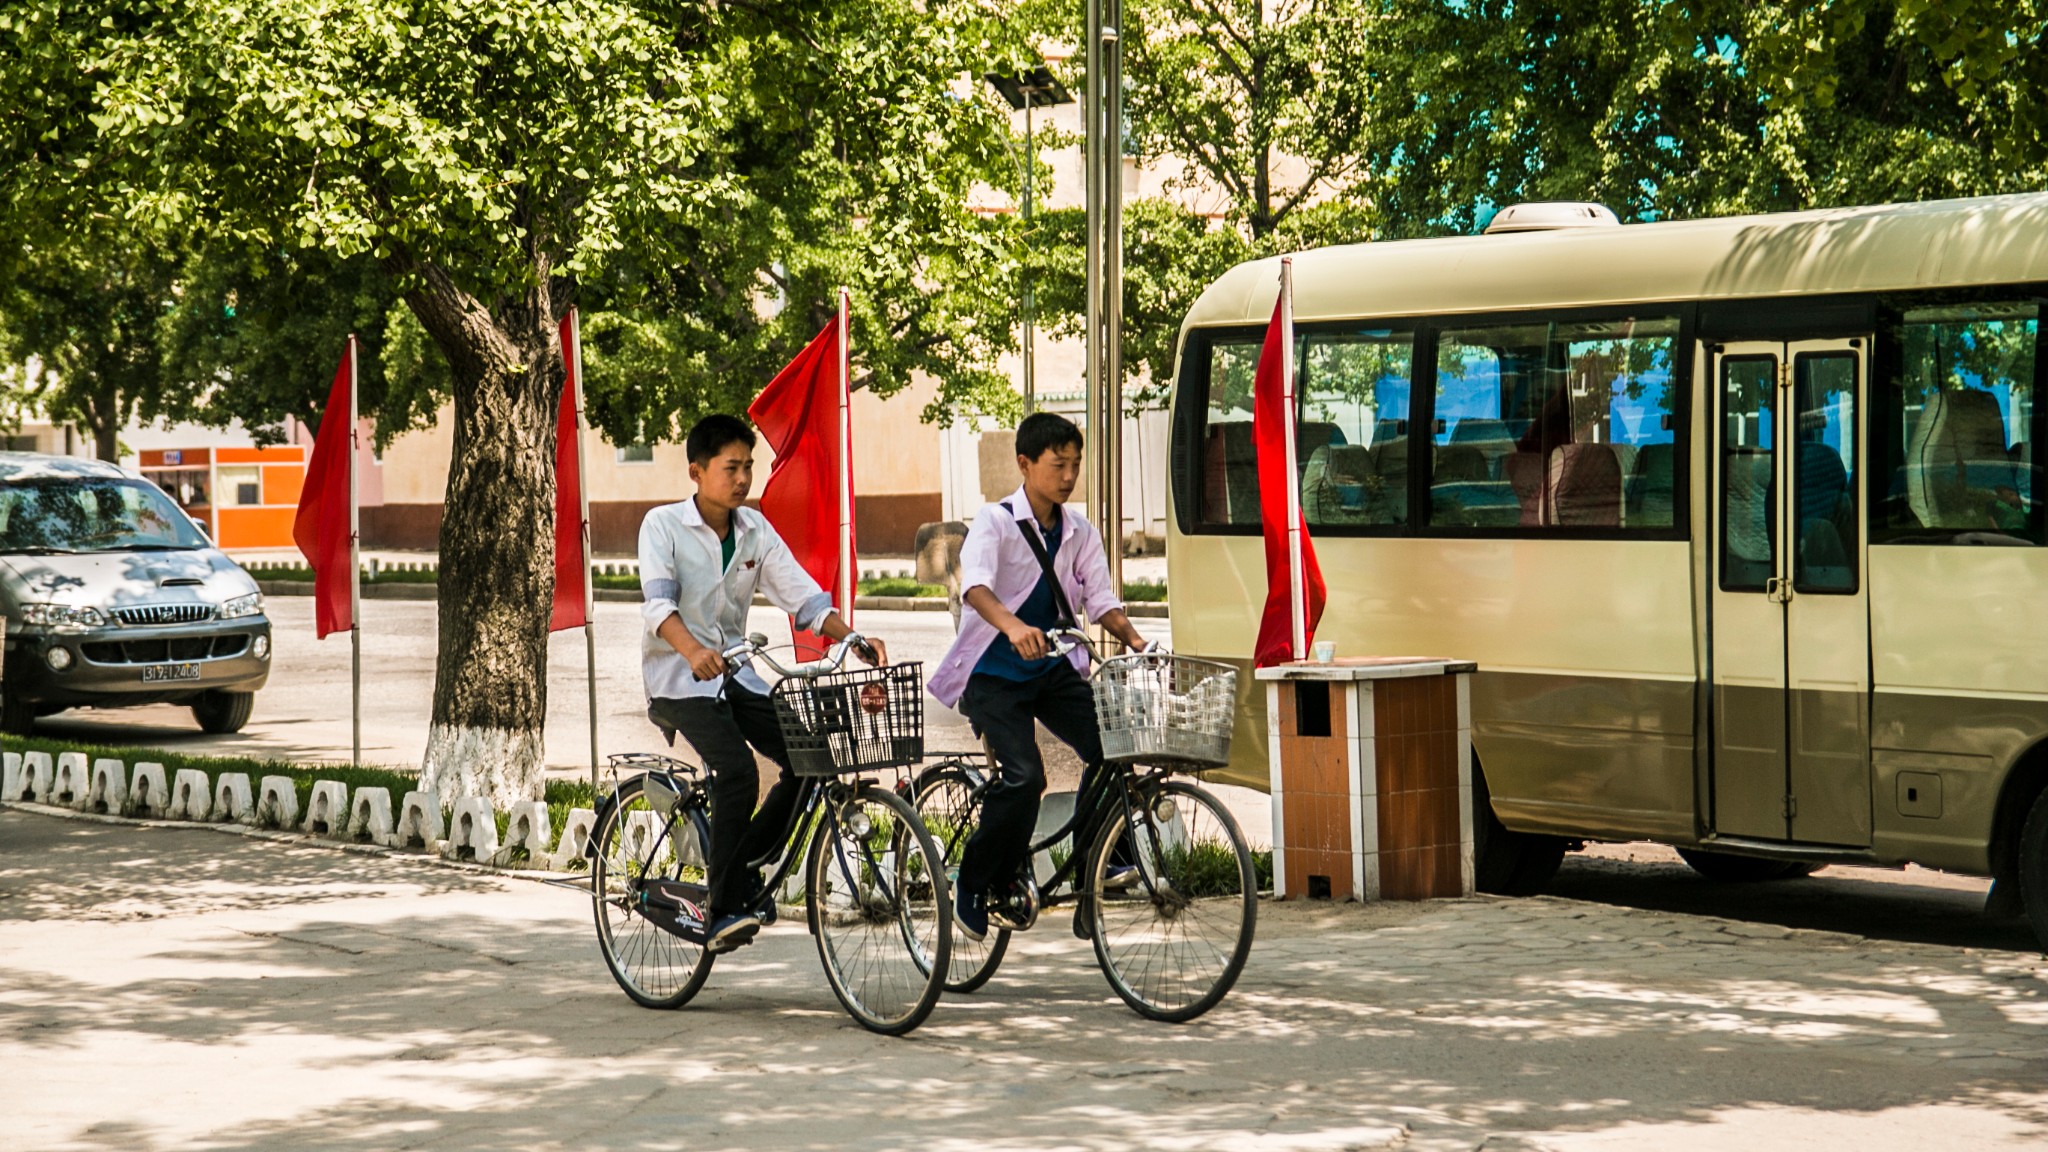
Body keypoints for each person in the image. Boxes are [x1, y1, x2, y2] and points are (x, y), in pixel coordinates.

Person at [638, 414, 887, 954]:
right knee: (738, 772)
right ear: (697, 472)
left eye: (749, 466)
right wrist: (693, 651)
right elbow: (658, 605)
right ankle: (721, 904)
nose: (743, 477)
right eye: (731, 467)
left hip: (738, 674)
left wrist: (853, 638)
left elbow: (804, 598)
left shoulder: (755, 530)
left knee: (809, 757)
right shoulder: (662, 526)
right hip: (680, 679)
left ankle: (745, 863)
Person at [926, 412, 1149, 942]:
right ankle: (976, 882)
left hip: (1050, 669)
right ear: (1026, 465)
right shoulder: (996, 521)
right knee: (1025, 777)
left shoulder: (1078, 530)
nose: (1069, 476)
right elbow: (976, 588)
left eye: (1075, 465)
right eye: (1058, 464)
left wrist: (1139, 642)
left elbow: (1101, 601)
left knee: (1113, 745)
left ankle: (1100, 864)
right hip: (994, 673)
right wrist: (1013, 626)